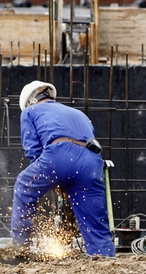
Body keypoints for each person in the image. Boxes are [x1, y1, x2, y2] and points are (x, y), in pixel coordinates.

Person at [11, 80, 115, 257]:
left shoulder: (30, 111)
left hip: (59, 155)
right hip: (91, 162)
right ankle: (106, 262)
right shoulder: (78, 113)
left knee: (25, 184)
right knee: (96, 224)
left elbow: (33, 150)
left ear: (30, 101)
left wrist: (51, 180)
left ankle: (19, 248)